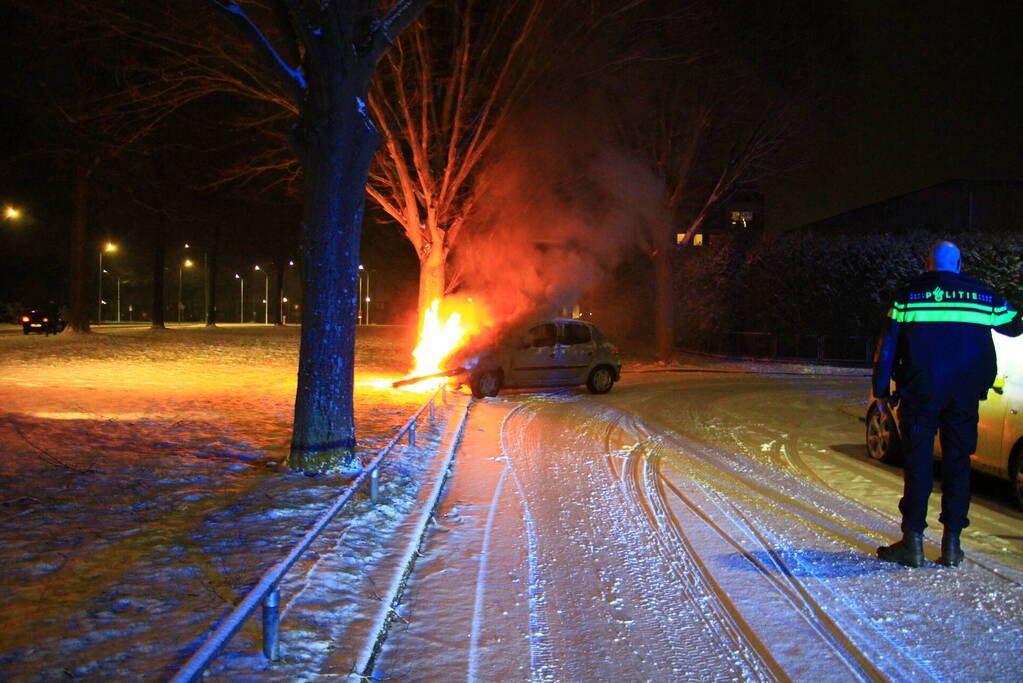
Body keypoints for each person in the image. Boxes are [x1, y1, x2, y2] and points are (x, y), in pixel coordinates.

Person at [873, 240, 1023, 567]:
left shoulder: (908, 295)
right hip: (964, 394)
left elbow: (887, 346)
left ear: (928, 264)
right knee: (958, 464)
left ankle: (912, 542)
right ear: (959, 265)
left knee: (919, 465)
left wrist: (882, 389)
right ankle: (952, 545)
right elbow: (1015, 326)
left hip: (920, 393)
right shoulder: (983, 297)